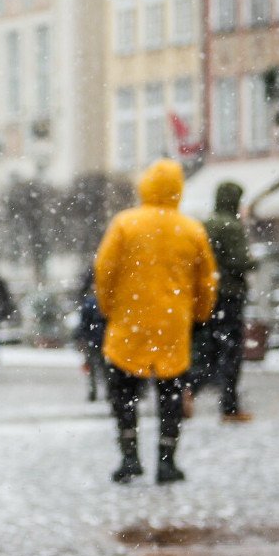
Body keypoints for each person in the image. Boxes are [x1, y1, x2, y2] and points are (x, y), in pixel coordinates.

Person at [95, 159, 218, 484]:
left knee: (124, 394)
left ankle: (129, 456)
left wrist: (109, 308)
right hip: (172, 325)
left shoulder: (125, 224)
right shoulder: (191, 229)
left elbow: (104, 270)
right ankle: (166, 460)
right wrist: (200, 314)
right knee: (170, 395)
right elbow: (206, 281)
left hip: (129, 323)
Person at [186, 181, 257, 421]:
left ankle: (187, 391)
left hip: (207, 295)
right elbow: (239, 261)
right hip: (229, 295)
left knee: (208, 349)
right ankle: (229, 406)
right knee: (231, 351)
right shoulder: (231, 226)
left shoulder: (206, 224)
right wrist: (252, 262)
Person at [74, 267, 107, 403]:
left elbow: (83, 324)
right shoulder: (102, 301)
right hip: (103, 340)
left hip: (93, 340)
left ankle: (93, 391)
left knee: (93, 368)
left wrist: (81, 338)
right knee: (104, 368)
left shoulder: (89, 302)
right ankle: (107, 391)